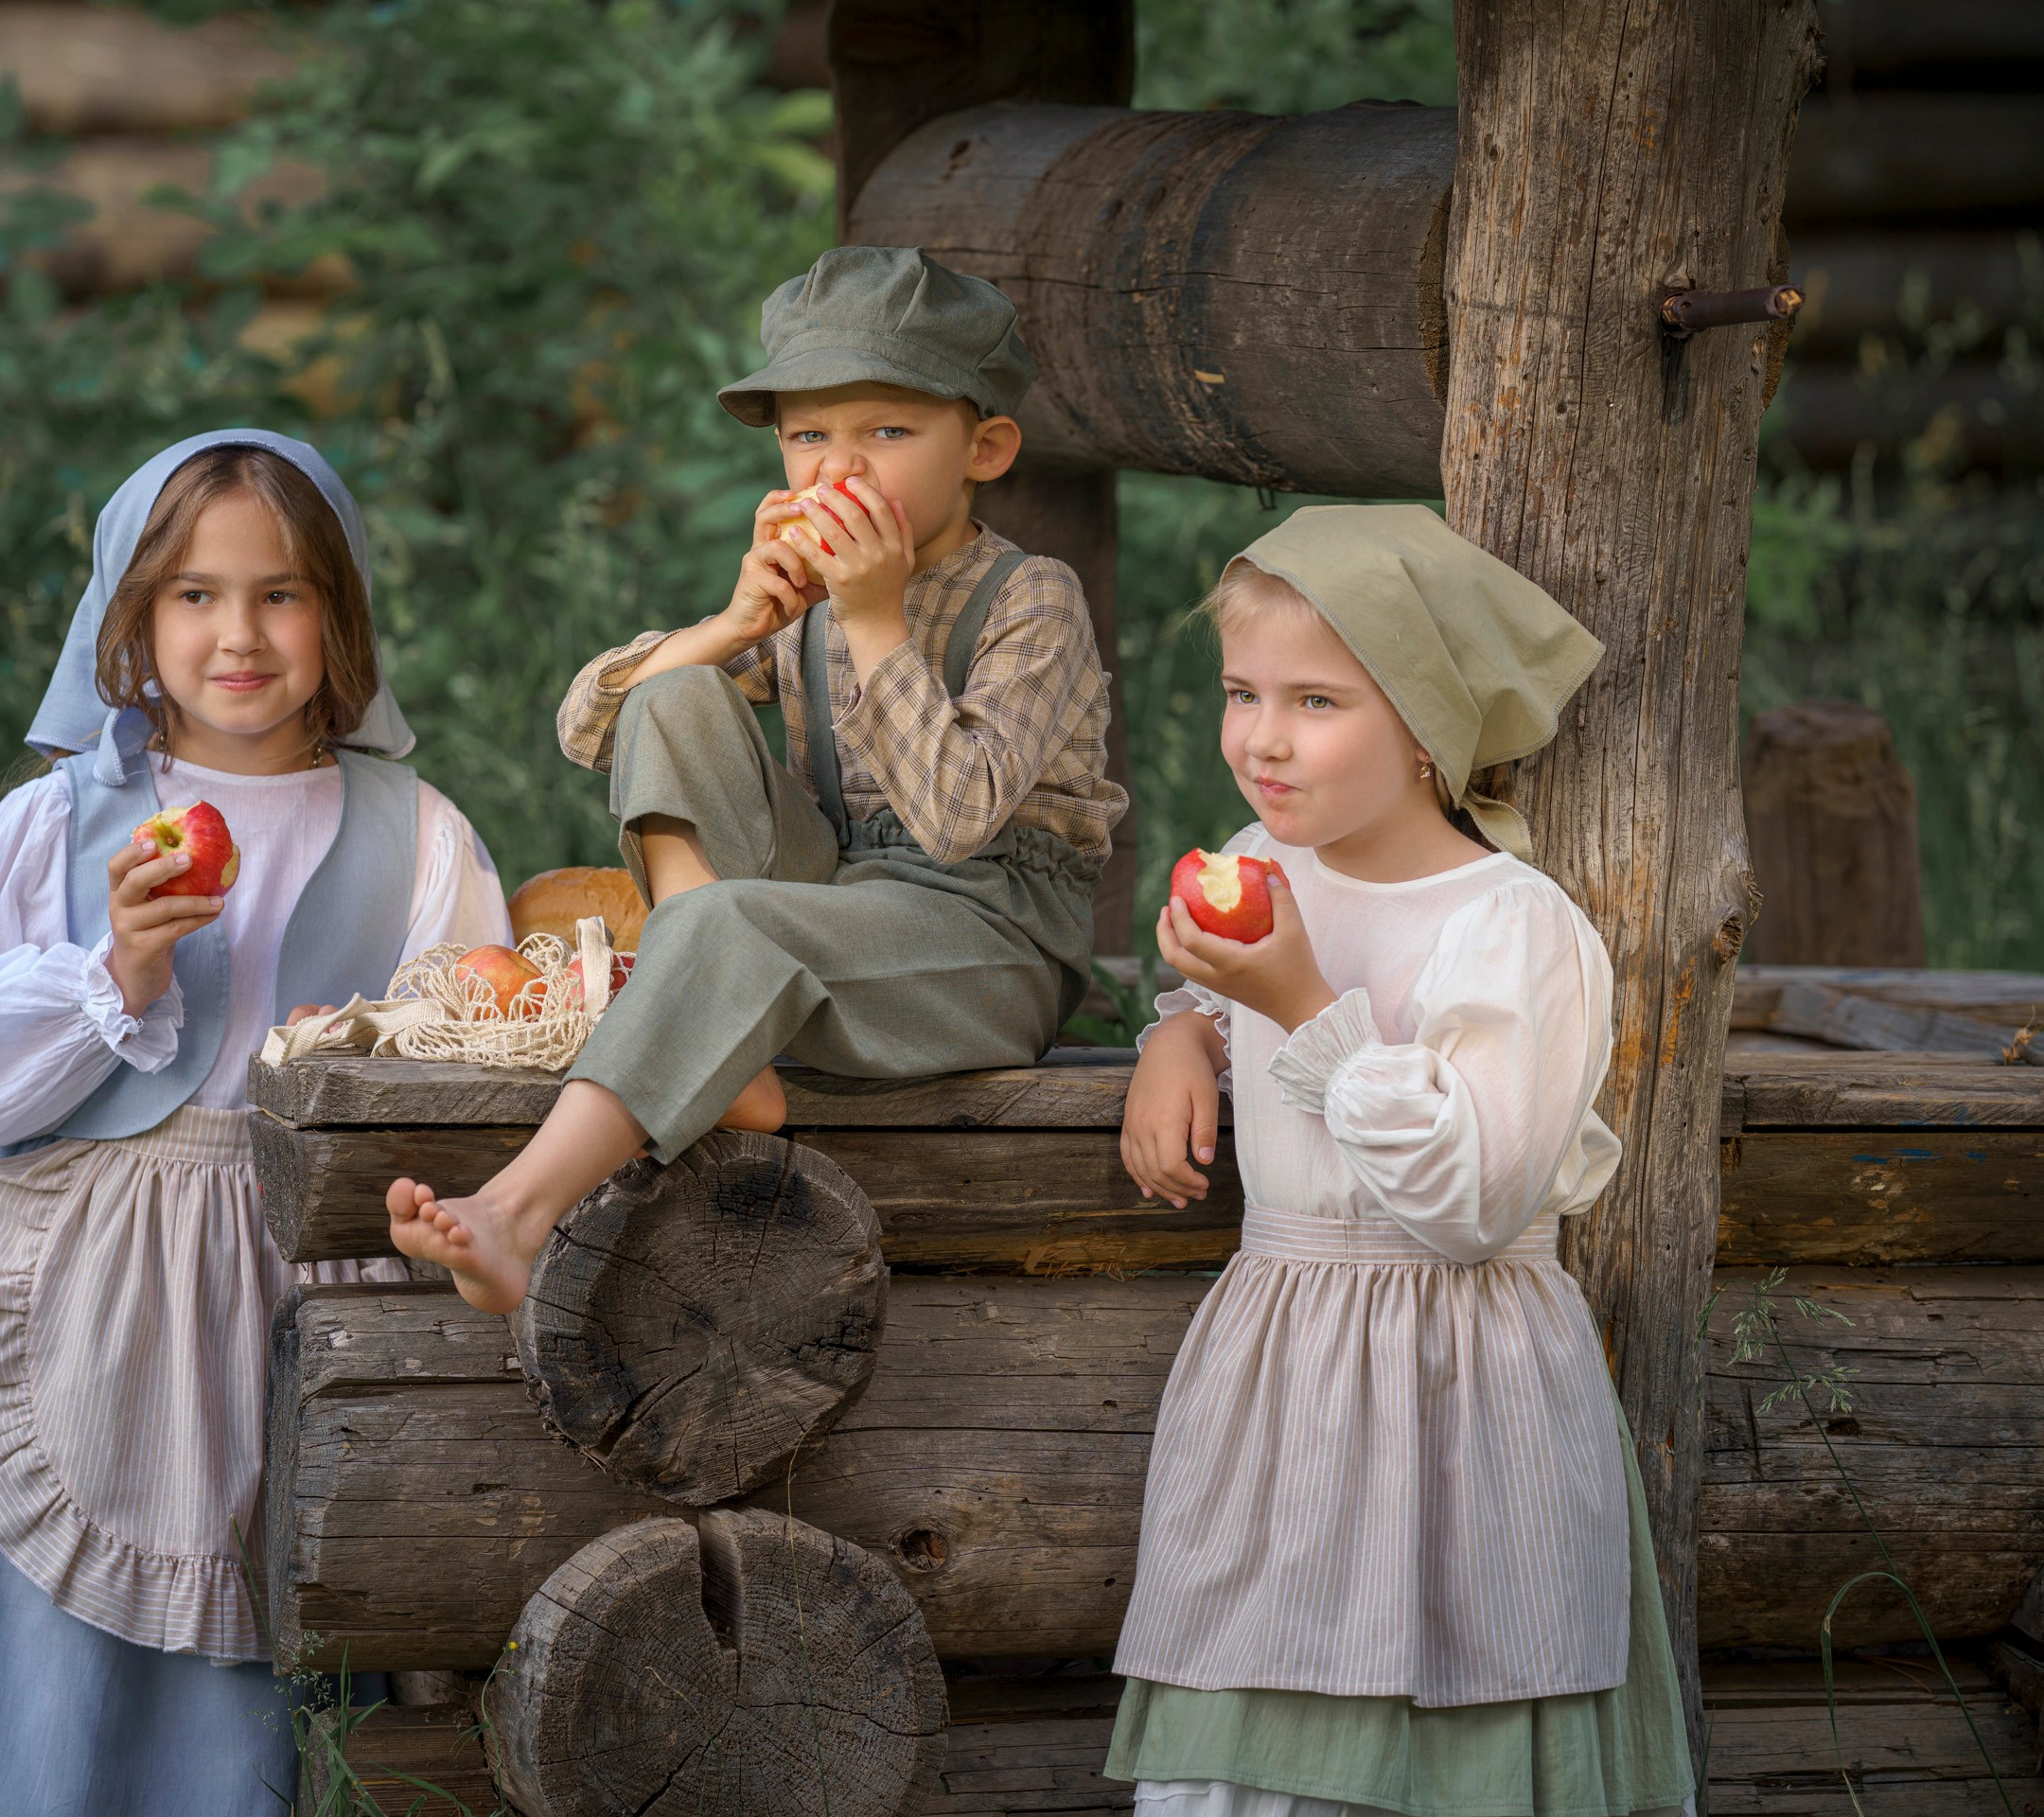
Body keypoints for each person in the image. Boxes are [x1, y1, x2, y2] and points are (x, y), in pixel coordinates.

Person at [0, 431, 509, 1816]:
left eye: (281, 593)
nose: (237, 634)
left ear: (341, 614)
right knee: (41, 1685)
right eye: (192, 594)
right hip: (88, 1290)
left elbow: (460, 1079)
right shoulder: (59, 823)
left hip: (295, 1296)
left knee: (266, 1672)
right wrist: (117, 970)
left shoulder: (418, 834)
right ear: (129, 619)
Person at [385, 245, 1127, 1312]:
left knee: (732, 923)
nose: (842, 468)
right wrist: (736, 624)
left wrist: (872, 621)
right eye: (809, 435)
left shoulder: (1030, 601)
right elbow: (586, 727)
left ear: (985, 447)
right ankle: (727, 1048)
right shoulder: (807, 597)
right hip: (826, 911)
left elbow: (960, 818)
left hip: (984, 949)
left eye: (887, 430)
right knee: (673, 695)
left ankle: (514, 1213)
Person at [1106, 504, 1698, 1817]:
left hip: (1458, 1382)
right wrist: (1182, 1034)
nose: (1262, 738)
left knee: (1455, 1741)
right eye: (1241, 693)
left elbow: (1468, 1206)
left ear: (1426, 724)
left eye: (1315, 700)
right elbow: (1217, 994)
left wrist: (1303, 1004)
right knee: (1239, 1752)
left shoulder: (1515, 927)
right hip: (1284, 1381)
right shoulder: (1260, 867)